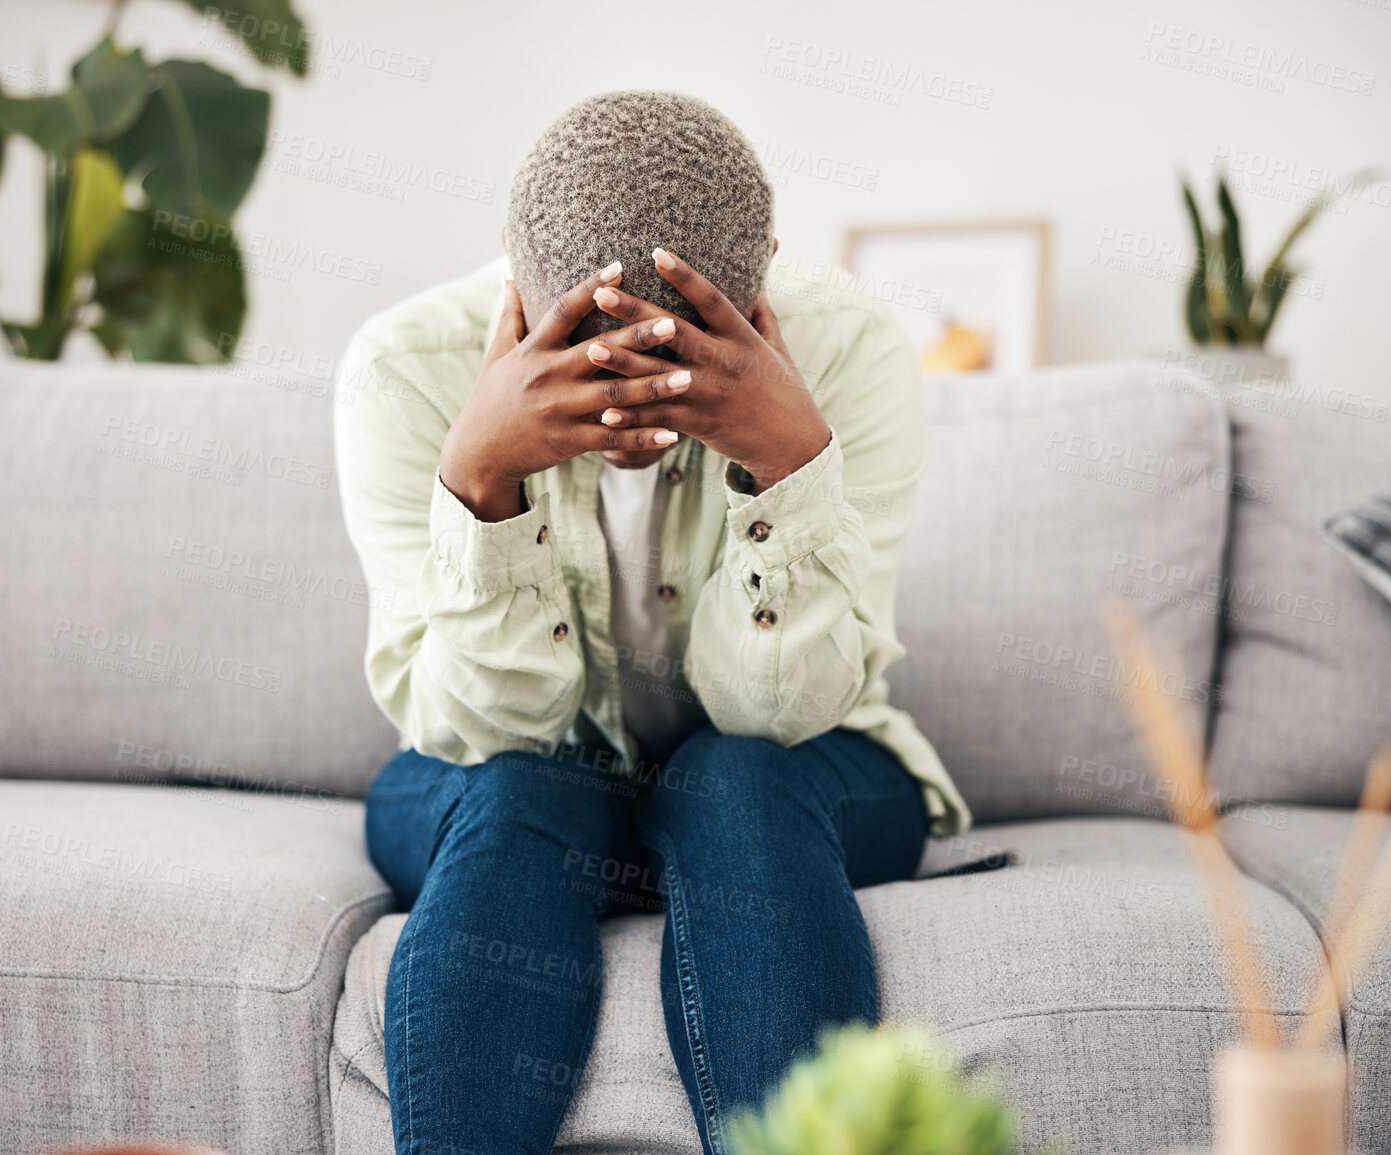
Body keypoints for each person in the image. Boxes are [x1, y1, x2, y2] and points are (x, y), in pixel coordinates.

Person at [333, 89, 971, 1155]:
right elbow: (479, 728)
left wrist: (789, 467)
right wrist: (482, 478)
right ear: (515, 283)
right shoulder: (404, 372)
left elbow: (784, 711)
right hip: (491, 761)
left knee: (734, 781)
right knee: (521, 794)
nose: (626, 415)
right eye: (583, 349)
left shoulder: (847, 349)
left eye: (670, 360)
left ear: (759, 282)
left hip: (793, 760)